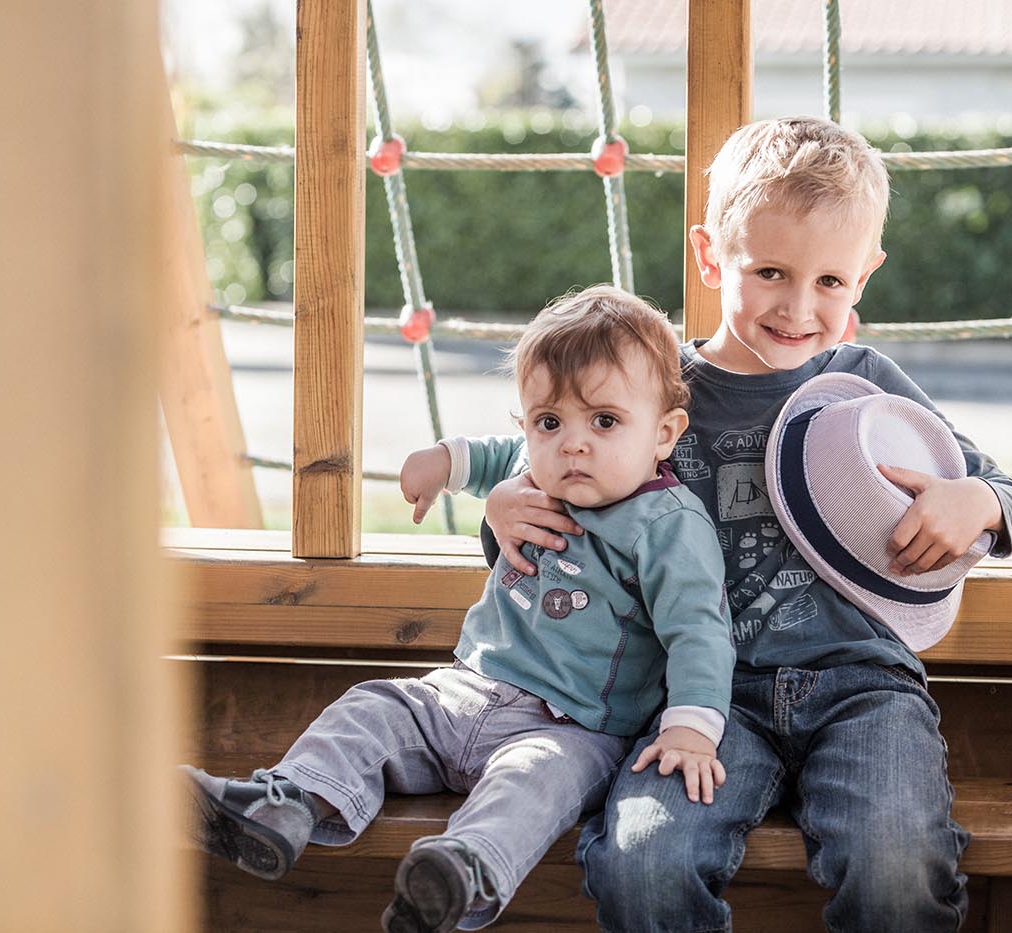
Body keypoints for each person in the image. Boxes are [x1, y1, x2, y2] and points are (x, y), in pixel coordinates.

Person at [482, 117, 1012, 932]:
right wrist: (502, 511)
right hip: (701, 700)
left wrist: (978, 502)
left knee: (894, 862)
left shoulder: (864, 384)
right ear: (712, 256)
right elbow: (553, 487)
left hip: (863, 686)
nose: (798, 307)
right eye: (770, 270)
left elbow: (1010, 494)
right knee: (645, 860)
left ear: (865, 276)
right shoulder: (650, 384)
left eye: (830, 283)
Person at [180, 285, 736, 933]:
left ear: (664, 433)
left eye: (605, 421)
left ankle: (460, 868)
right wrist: (442, 462)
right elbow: (495, 455)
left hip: (571, 729)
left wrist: (692, 726)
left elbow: (700, 629)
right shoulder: (535, 470)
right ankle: (290, 799)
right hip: (461, 694)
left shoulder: (666, 524)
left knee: (533, 783)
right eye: (549, 421)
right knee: (375, 705)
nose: (572, 444)